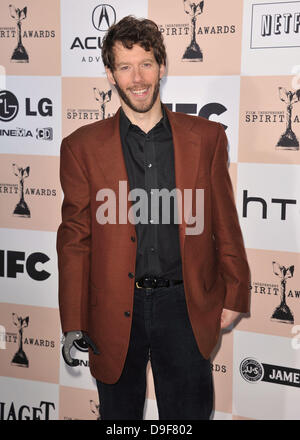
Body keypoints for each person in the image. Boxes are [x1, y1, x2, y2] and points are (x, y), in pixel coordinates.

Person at [57, 16, 250, 420]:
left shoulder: (208, 137)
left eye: (146, 63)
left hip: (185, 305)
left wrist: (235, 291)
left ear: (162, 67)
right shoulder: (81, 147)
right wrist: (73, 321)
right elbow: (75, 240)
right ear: (110, 74)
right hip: (111, 308)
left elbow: (224, 222)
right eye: (125, 67)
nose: (137, 77)